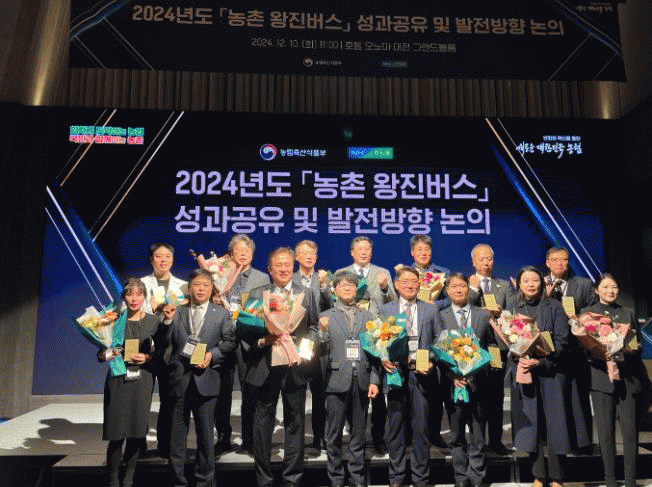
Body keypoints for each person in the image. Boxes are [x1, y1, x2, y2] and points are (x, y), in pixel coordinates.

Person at [240, 247, 319, 487]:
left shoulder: (306, 293)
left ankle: (292, 479)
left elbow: (313, 328)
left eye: (287, 265)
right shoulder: (257, 294)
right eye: (278, 265)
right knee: (263, 422)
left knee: (295, 421)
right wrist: (264, 341)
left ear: (293, 268)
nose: (284, 269)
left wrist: (303, 351)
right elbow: (244, 331)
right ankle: (263, 479)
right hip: (265, 365)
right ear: (270, 269)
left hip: (295, 366)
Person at [160, 269, 237, 487]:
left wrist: (212, 355)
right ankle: (178, 482)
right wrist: (167, 322)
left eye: (205, 285)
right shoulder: (177, 312)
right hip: (180, 380)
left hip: (207, 379)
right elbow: (166, 341)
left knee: (205, 436)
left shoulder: (221, 314)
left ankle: (205, 481)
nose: (201, 289)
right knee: (177, 437)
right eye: (196, 284)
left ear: (212, 289)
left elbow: (230, 342)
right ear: (189, 288)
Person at [505, 266, 571, 487]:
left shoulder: (555, 307)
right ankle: (538, 475)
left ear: (542, 283)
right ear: (519, 285)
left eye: (534, 280)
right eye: (525, 281)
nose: (530, 284)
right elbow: (508, 341)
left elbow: (562, 342)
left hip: (552, 373)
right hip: (525, 371)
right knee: (531, 425)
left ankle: (557, 476)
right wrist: (518, 357)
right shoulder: (513, 309)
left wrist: (541, 362)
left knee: (556, 425)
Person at [580, 274, 644, 487]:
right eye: (606, 287)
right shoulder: (587, 314)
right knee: (605, 433)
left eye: (614, 287)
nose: (611, 290)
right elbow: (582, 347)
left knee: (630, 433)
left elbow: (638, 345)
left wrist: (626, 348)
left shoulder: (627, 312)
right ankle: (610, 480)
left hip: (628, 379)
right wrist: (597, 352)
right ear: (596, 290)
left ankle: (631, 480)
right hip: (600, 379)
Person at [318, 271, 380, 487]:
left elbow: (375, 352)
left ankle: (357, 478)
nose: (346, 287)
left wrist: (374, 379)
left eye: (351, 285)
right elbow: (319, 351)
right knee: (334, 435)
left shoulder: (368, 316)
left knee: (358, 435)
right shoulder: (325, 316)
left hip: (361, 380)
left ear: (357, 289)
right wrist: (322, 332)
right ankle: (336, 479)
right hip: (335, 380)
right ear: (334, 290)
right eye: (342, 284)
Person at [381, 267, 440, 487]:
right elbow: (378, 340)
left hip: (422, 374)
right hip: (395, 374)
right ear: (396, 285)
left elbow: (440, 340)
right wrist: (382, 358)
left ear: (419, 285)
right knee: (395, 428)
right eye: (404, 281)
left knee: (421, 429)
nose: (409, 285)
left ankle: (420, 477)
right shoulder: (385, 310)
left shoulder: (430, 310)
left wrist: (431, 360)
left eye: (414, 281)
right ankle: (396, 477)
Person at [337, 236, 396, 455]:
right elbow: (335, 300)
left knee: (377, 387)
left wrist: (384, 288)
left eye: (367, 249)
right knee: (353, 386)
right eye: (359, 249)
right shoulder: (342, 273)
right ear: (352, 252)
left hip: (377, 335)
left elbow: (392, 302)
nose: (363, 252)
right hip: (350, 334)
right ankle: (356, 435)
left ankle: (379, 435)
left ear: (371, 252)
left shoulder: (382, 272)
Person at [99, 278, 159, 487]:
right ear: (124, 297)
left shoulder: (153, 321)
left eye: (138, 294)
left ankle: (128, 480)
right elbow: (100, 354)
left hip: (142, 380)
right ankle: (113, 481)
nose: (134, 298)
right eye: (129, 294)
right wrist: (108, 354)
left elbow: (162, 352)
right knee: (116, 433)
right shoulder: (113, 320)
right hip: (118, 379)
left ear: (144, 297)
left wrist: (148, 357)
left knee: (135, 432)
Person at [215, 234, 270, 454]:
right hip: (223, 338)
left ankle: (249, 438)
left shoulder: (262, 278)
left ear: (253, 254)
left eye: (247, 251)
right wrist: (214, 300)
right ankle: (223, 436)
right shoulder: (219, 275)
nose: (243, 254)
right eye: (239, 250)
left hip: (249, 340)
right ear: (231, 255)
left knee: (250, 391)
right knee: (222, 391)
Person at [437, 273, 493, 487]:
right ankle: (461, 477)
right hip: (453, 384)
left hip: (480, 383)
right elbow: (435, 349)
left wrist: (485, 366)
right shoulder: (440, 316)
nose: (458, 290)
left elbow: (492, 345)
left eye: (462, 286)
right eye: (454, 286)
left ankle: (477, 477)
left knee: (478, 434)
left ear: (468, 289)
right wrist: (451, 374)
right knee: (457, 434)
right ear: (447, 291)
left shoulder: (483, 314)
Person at [545, 246, 595, 451]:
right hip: (550, 349)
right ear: (547, 262)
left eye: (564, 259)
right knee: (554, 399)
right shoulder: (540, 284)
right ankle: (555, 441)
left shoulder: (583, 284)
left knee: (579, 397)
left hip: (576, 350)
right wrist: (545, 297)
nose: (560, 263)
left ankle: (583, 442)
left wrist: (580, 318)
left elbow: (593, 312)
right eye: (555, 259)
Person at [139, 243, 188, 457]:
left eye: (167, 256)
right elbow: (128, 310)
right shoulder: (141, 284)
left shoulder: (183, 286)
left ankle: (165, 445)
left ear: (172, 260)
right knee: (142, 399)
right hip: (145, 347)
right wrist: (153, 308)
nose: (163, 260)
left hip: (171, 349)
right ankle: (137, 443)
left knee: (169, 400)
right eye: (158, 256)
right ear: (152, 260)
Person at [468, 243, 514, 455]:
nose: (486, 263)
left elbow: (512, 312)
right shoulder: (467, 284)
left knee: (496, 395)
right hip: (474, 346)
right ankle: (476, 441)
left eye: (489, 259)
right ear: (473, 262)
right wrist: (473, 290)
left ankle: (495, 440)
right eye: (481, 259)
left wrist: (500, 312)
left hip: (496, 346)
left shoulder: (503, 286)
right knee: (476, 394)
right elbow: (464, 307)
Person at [409, 234, 450, 449]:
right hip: (411, 331)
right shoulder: (405, 273)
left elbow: (451, 297)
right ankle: (410, 433)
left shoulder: (443, 273)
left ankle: (434, 433)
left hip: (434, 330)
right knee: (410, 387)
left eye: (427, 250)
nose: (424, 253)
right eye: (419, 250)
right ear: (412, 253)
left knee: (436, 387)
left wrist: (436, 305)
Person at [293, 239, 332, 451]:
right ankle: (296, 439)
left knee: (320, 395)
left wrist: (325, 286)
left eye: (313, 253)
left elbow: (332, 305)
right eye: (305, 253)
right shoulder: (290, 279)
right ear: (296, 257)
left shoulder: (323, 279)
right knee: (296, 394)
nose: (309, 256)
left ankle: (319, 437)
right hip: (296, 342)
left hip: (319, 341)